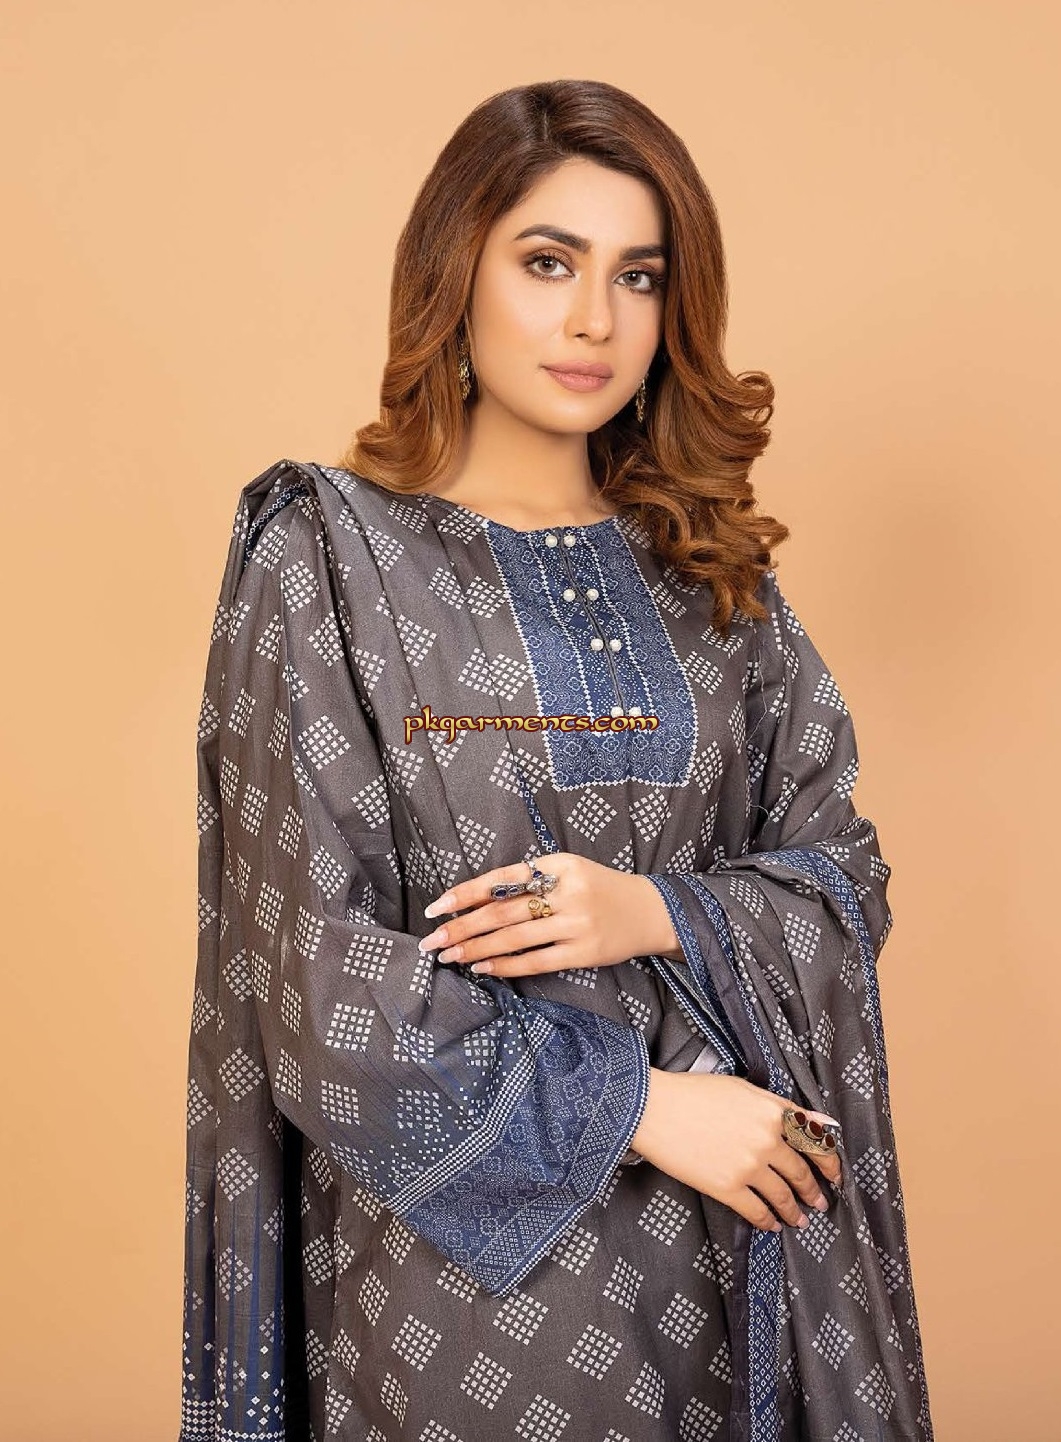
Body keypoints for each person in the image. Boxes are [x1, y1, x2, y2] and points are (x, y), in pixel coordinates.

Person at [179, 79, 933, 1442]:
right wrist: (641, 1104)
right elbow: (312, 980)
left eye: (637, 276)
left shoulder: (714, 580)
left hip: (733, 1245)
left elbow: (844, 878)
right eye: (547, 263)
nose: (595, 320)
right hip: (463, 1290)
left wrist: (653, 910)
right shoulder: (327, 557)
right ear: (453, 274)